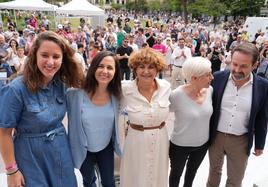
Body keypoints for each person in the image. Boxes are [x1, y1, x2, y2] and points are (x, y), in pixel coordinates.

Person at [0, 31, 84, 187]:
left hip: (60, 152)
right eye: (44, 55)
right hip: (29, 156)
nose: (50, 62)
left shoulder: (61, 84)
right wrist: (12, 171)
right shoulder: (16, 89)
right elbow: (4, 133)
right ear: (35, 55)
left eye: (56, 57)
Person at [207, 43, 268, 187]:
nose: (237, 70)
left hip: (241, 141)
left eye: (243, 66)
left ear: (254, 65)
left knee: (235, 180)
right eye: (234, 64)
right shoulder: (217, 78)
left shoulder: (263, 86)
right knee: (213, 176)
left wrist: (259, 143)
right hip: (216, 137)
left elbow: (262, 117)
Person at [67, 51, 122, 187]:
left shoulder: (117, 96)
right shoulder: (75, 94)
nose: (105, 71)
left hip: (105, 147)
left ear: (115, 72)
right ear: (93, 67)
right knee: (89, 181)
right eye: (100, 66)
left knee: (109, 182)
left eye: (110, 68)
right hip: (83, 150)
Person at [120, 48, 171, 187]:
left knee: (157, 175)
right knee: (136, 175)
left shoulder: (166, 87)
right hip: (136, 140)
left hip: (161, 139)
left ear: (158, 69)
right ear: (135, 69)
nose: (146, 71)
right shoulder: (125, 89)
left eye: (151, 67)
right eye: (141, 67)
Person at [169, 57, 214, 187]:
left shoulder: (210, 91)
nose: (212, 77)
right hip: (179, 145)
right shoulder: (176, 95)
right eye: (208, 75)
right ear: (194, 78)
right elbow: (161, 112)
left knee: (192, 172)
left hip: (202, 144)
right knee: (176, 174)